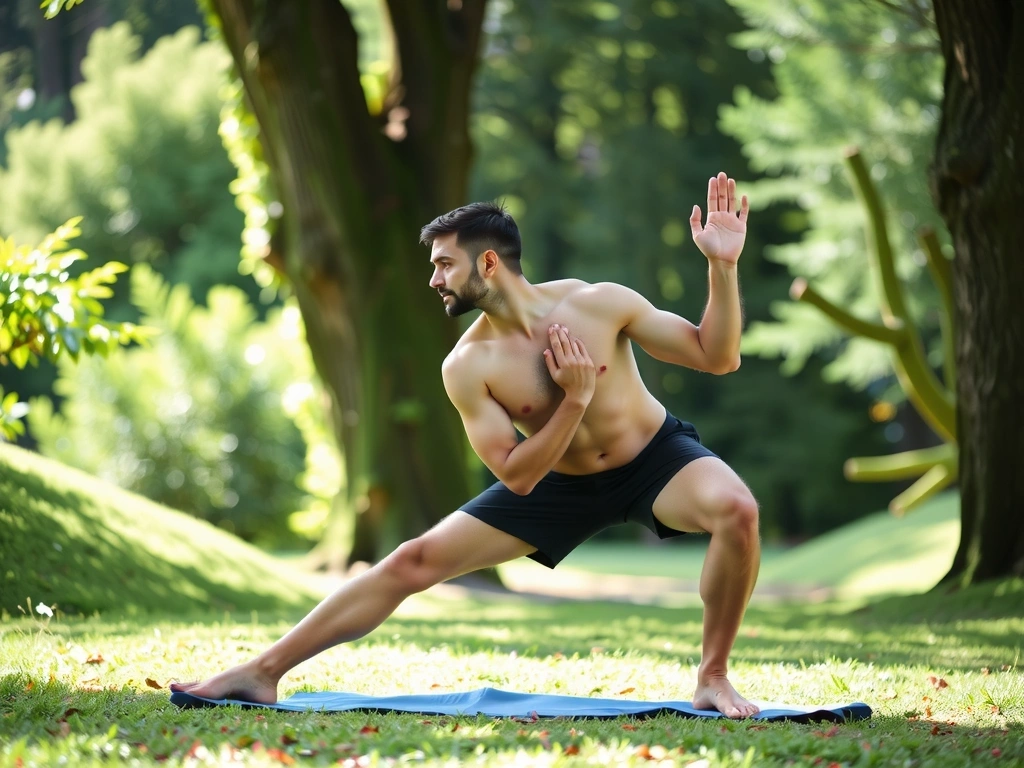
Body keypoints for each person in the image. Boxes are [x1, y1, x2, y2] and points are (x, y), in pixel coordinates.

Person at [171, 172, 761, 718]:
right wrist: (575, 401)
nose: (433, 279)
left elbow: (719, 355)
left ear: (487, 262)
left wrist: (722, 267)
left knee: (736, 510)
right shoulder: (467, 365)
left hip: (655, 461)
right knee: (411, 561)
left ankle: (712, 676)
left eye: (444, 264)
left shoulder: (598, 302)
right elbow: (519, 477)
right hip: (556, 478)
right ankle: (262, 671)